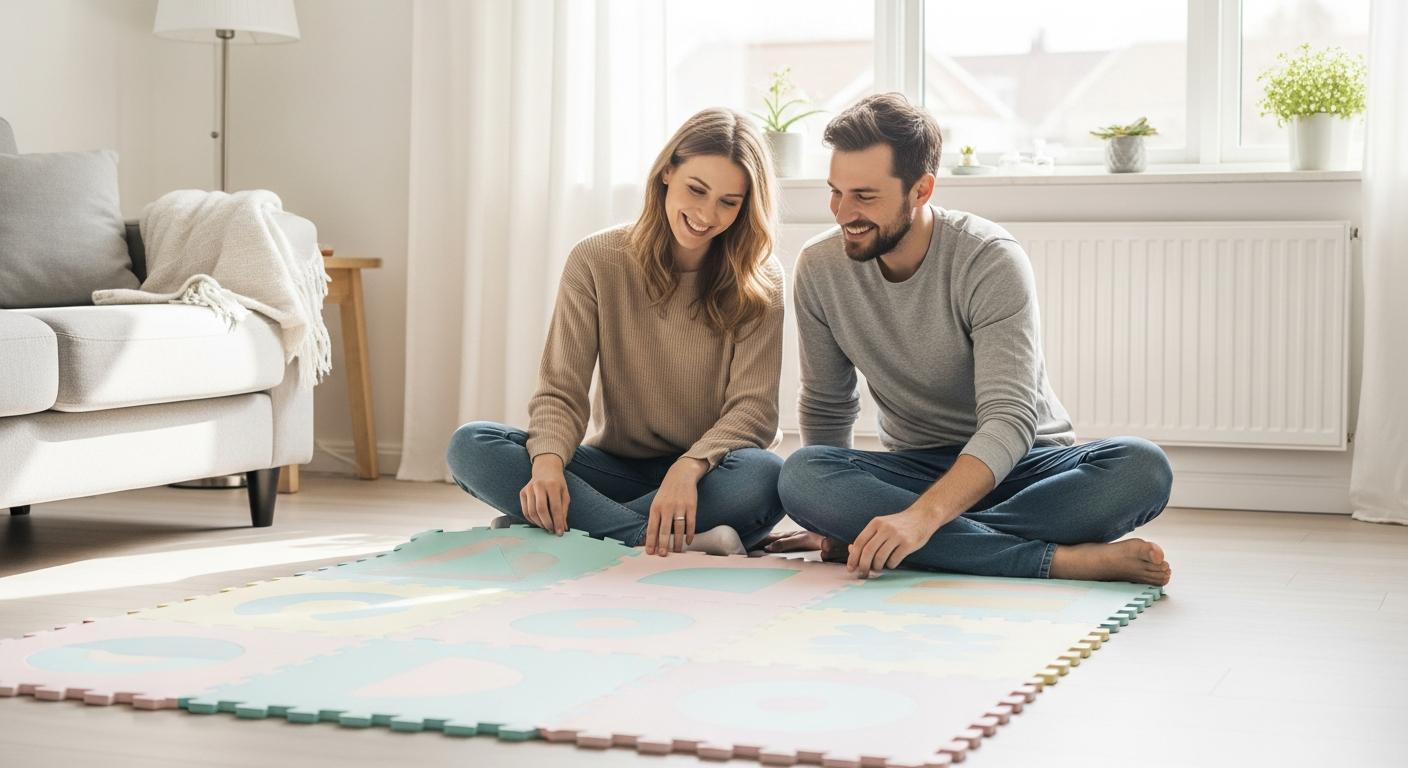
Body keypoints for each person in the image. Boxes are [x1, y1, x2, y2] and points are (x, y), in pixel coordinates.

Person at [766, 93, 1173, 586]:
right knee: (802, 473)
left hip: (1024, 467)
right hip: (916, 468)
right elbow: (828, 406)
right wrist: (827, 516)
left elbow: (1009, 419)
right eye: (835, 191)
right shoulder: (819, 267)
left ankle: (914, 544)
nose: (842, 212)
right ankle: (1055, 560)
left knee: (1143, 467)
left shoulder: (989, 258)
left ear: (921, 190)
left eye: (865, 196)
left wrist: (919, 519)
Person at [448, 108, 786, 557]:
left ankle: (562, 528)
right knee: (472, 445)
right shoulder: (596, 260)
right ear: (667, 172)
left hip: (710, 472)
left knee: (763, 477)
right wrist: (547, 464)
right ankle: (651, 539)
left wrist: (687, 470)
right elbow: (561, 389)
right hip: (613, 467)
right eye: (696, 190)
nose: (706, 214)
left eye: (729, 201)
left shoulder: (760, 278)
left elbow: (754, 411)